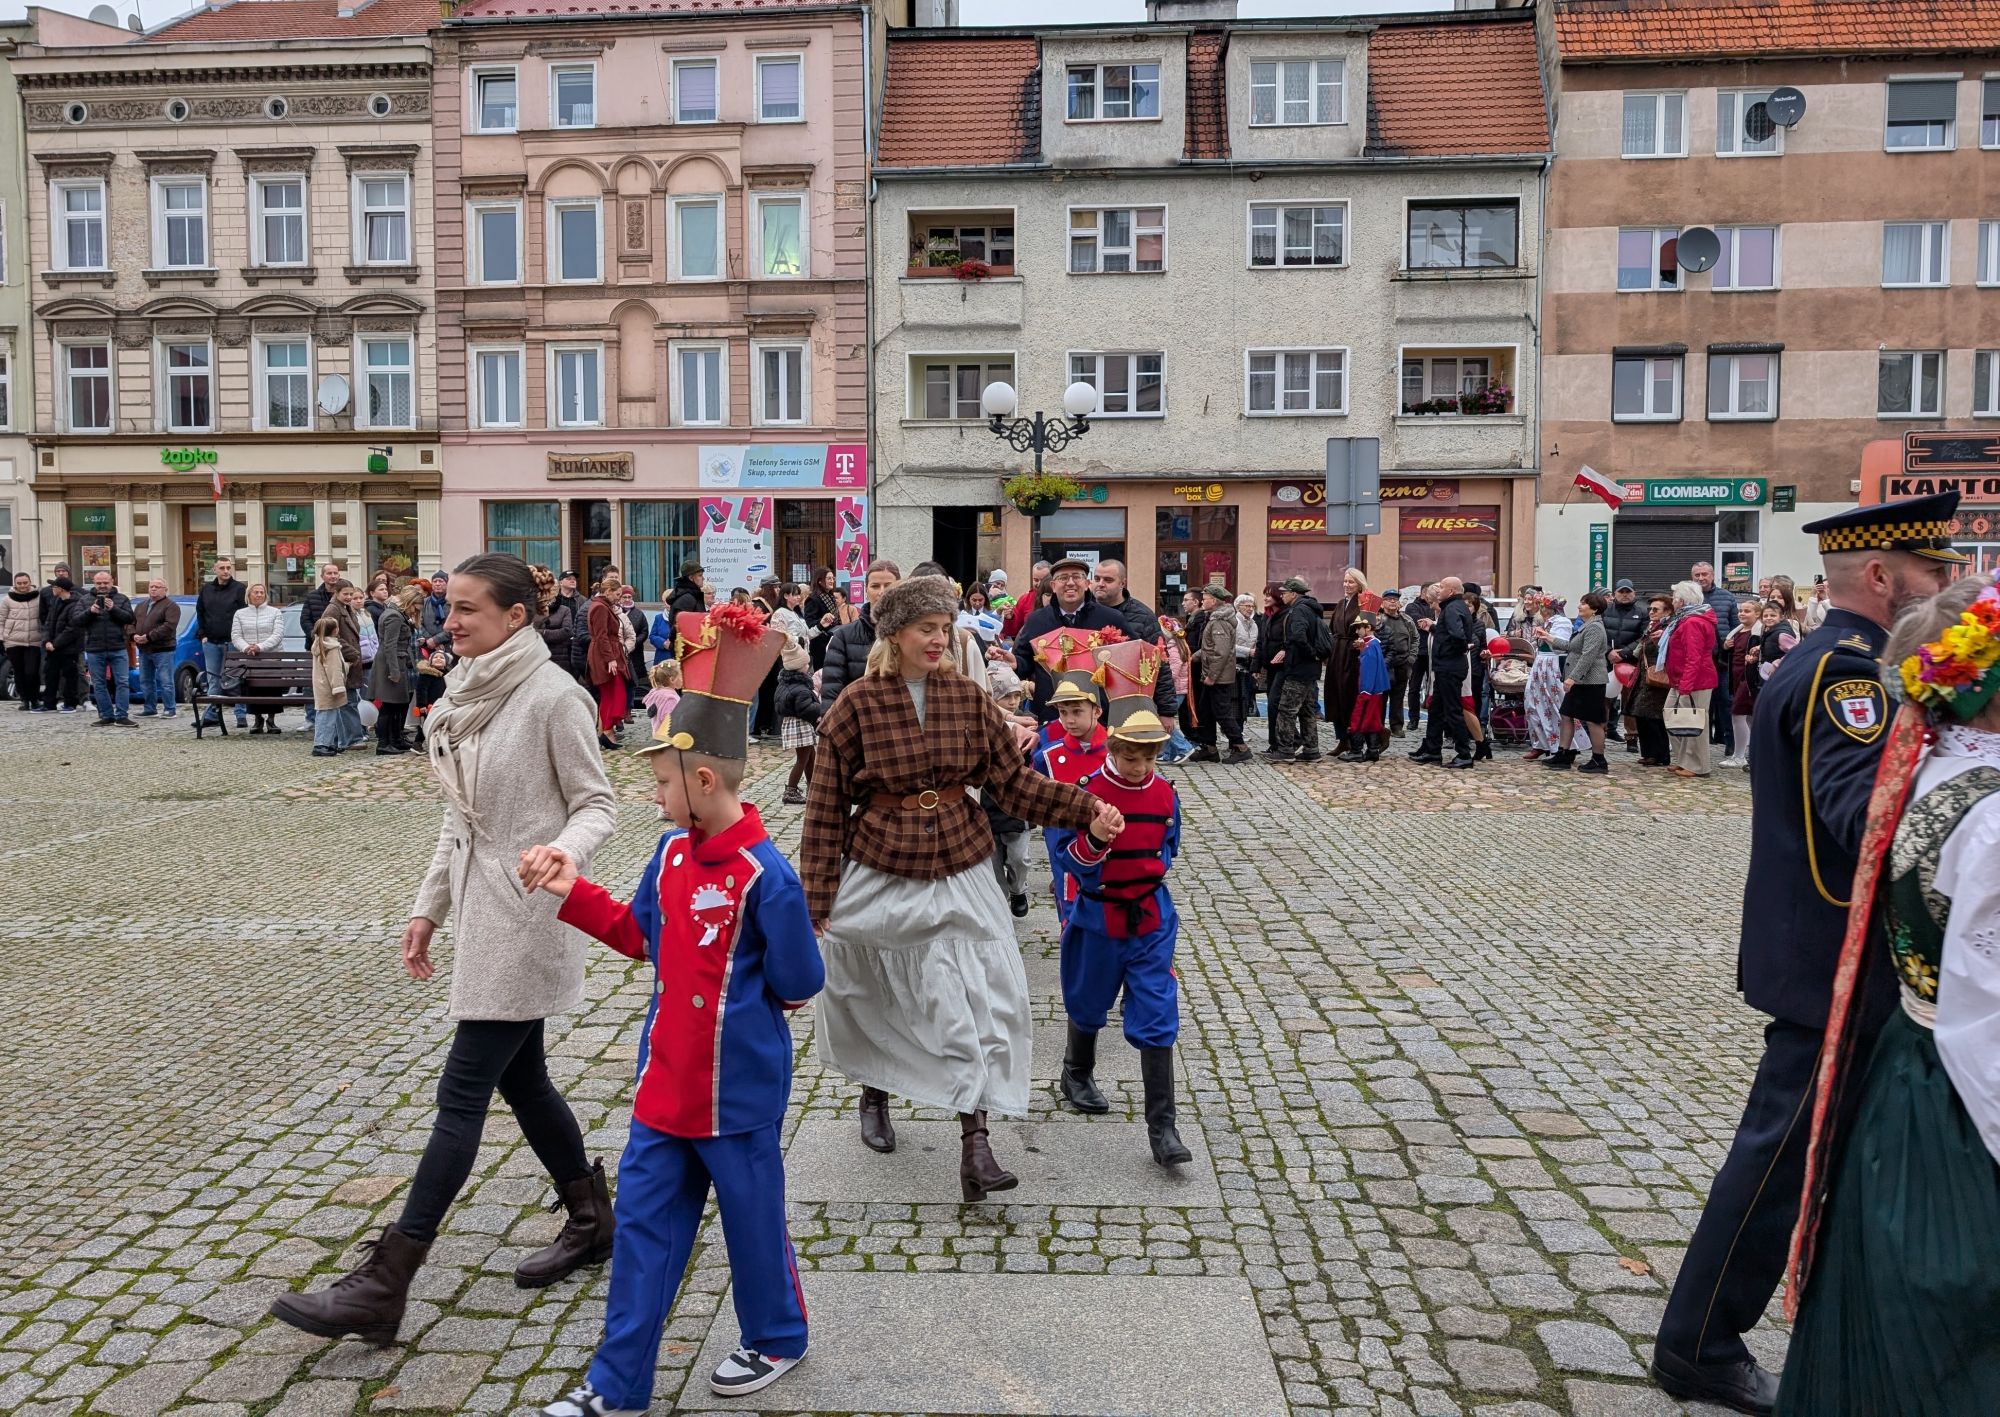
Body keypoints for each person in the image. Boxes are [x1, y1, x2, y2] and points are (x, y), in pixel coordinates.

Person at [1651, 493, 1963, 1414]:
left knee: (1804, 1156)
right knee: (1779, 1160)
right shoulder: (1846, 676)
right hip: (1836, 958)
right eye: (1933, 570)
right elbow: (1862, 815)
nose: (1945, 585)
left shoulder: (1839, 662)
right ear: (1882, 574)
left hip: (1827, 953)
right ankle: (1698, 1343)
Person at [268, 553, 619, 1346]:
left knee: (461, 1093)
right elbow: (460, 818)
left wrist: (561, 851)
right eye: (448, 606)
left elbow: (598, 803)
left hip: (527, 913)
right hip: (479, 908)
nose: (448, 621)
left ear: (515, 617)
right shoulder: (466, 691)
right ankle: (592, 1216)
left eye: (465, 609)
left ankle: (385, 1281)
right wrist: (428, 907)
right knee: (523, 1079)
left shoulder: (553, 696)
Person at [529, 605, 822, 1415]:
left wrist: (737, 1019)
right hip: (664, 1087)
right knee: (644, 1234)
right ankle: (618, 1385)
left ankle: (777, 1334)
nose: (654, 798)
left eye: (662, 783)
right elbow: (638, 936)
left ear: (703, 781)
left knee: (752, 1224)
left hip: (738, 1093)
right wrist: (573, 890)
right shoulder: (666, 856)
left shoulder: (768, 876)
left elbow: (800, 981)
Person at [799, 575, 1114, 1196]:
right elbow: (825, 808)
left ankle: (976, 1143)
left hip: (962, 860)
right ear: (895, 634)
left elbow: (1014, 785)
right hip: (882, 861)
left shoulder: (968, 697)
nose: (940, 639)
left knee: (979, 994)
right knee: (873, 985)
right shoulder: (855, 705)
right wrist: (816, 898)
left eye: (945, 628)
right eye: (927, 629)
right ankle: (875, 1090)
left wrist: (1085, 808)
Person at [1775, 572, 2000, 1417]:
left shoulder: (1928, 770)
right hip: (1963, 1090)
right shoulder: (1990, 812)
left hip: (1912, 1067)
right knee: (1949, 1328)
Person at [1054, 636, 1190, 1168]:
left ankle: (1163, 1129)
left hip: (1151, 917)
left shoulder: (1166, 792)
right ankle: (1076, 1071)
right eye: (1130, 755)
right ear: (1112, 748)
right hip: (1098, 915)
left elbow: (1169, 846)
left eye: (1149, 755)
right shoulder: (1087, 791)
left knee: (1157, 1010)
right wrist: (1095, 841)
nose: (1139, 765)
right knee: (1088, 1000)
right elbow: (1068, 859)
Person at [1029, 626, 1113, 926]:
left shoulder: (1117, 753)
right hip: (1065, 851)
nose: (1069, 720)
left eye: (1077, 712)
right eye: (1063, 713)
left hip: (1111, 853)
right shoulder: (1048, 757)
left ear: (1097, 711)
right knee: (1072, 918)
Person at [1089, 560, 1184, 759]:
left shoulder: (1143, 616)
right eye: (1096, 578)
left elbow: (1160, 664)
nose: (1100, 584)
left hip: (1129, 705)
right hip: (1090, 703)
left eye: (1108, 580)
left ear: (1122, 583)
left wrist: (1166, 711)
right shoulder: (1084, 611)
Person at [983, 666, 1037, 920]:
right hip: (988, 802)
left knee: (1019, 858)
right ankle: (999, 904)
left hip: (1017, 803)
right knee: (993, 861)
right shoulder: (983, 726)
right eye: (1006, 697)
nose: (1013, 702)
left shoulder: (1029, 723)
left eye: (1017, 695)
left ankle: (1018, 889)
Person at [1411, 577, 1476, 769]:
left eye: (1442, 587)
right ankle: (1433, 750)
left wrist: (1450, 651)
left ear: (1452, 591)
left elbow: (1458, 636)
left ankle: (1464, 754)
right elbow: (1448, 631)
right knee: (1436, 710)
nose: (1438, 590)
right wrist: (1432, 627)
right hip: (1446, 666)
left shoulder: (1453, 608)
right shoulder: (1454, 607)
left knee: (1452, 711)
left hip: (1450, 666)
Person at [1545, 590, 1611, 774]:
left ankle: (1599, 759)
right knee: (1567, 715)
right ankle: (1563, 754)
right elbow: (1571, 647)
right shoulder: (1585, 626)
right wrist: (1549, 638)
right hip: (1580, 682)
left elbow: (1588, 656)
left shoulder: (1595, 628)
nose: (1579, 606)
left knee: (1593, 720)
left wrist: (1572, 677)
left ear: (1595, 609)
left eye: (1584, 603)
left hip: (1590, 682)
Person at [819, 559, 899, 711]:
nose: (882, 592)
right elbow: (832, 695)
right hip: (858, 719)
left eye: (888, 586)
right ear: (866, 590)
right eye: (875, 586)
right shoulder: (843, 637)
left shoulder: (909, 634)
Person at [1661, 581, 1721, 779]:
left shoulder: (1692, 622)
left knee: (1695, 721)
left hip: (1695, 680)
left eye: (1674, 597)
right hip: (1682, 679)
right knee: (1674, 716)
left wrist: (1686, 684)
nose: (1672, 601)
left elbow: (1693, 657)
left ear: (1682, 600)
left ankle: (1699, 765)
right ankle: (1683, 759)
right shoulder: (1685, 619)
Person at [1264, 576, 1326, 761]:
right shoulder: (1310, 608)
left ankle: (1285, 750)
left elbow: (1298, 636)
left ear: (1294, 594)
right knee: (1307, 711)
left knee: (1286, 710)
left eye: (1285, 593)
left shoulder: (1298, 610)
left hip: (1298, 667)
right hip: (1309, 668)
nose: (1282, 595)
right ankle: (1311, 750)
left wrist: (1310, 653)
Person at [1191, 585, 1248, 763]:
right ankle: (1209, 747)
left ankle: (1240, 747)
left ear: (1214, 600)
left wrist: (1212, 676)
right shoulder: (1214, 618)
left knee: (1222, 712)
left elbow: (1221, 652)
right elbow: (1209, 648)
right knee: (1205, 711)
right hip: (1213, 675)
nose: (1202, 601)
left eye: (1205, 598)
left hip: (1219, 678)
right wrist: (1192, 657)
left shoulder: (1219, 622)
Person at [309, 583, 364, 757]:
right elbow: (326, 634)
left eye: (351, 594)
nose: (349, 597)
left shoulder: (346, 608)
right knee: (337, 707)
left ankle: (339, 740)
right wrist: (351, 653)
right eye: (345, 594)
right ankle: (335, 741)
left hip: (345, 663)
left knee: (342, 705)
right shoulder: (333, 610)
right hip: (337, 670)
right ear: (336, 593)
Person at [370, 583, 423, 755]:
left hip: (399, 661)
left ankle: (395, 739)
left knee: (398, 705)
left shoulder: (397, 614)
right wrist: (394, 671)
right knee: (389, 705)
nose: (415, 612)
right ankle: (384, 743)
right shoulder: (394, 616)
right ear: (409, 602)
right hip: (391, 663)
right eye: (415, 607)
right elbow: (390, 645)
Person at [80, 571, 136, 728]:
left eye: (105, 583)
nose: (102, 586)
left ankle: (122, 716)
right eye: (99, 583)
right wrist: (90, 612)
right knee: (99, 684)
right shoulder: (85, 600)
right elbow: (76, 620)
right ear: (94, 583)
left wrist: (113, 609)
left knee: (123, 682)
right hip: (94, 647)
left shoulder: (121, 599)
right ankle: (106, 715)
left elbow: (130, 618)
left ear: (112, 582)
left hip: (118, 646)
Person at [1321, 567, 1368, 756]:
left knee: (1350, 697)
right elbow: (1333, 629)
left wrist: (1362, 642)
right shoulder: (1341, 604)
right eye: (1345, 581)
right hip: (1337, 654)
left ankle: (1357, 740)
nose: (1347, 585)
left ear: (1359, 584)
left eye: (1351, 582)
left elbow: (1370, 630)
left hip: (1353, 656)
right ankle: (1342, 739)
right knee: (1335, 696)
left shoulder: (1364, 603)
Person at [231, 582, 286, 734]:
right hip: (250, 658)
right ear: (249, 595)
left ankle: (271, 720)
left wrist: (260, 647)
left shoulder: (275, 612)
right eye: (256, 592)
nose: (259, 595)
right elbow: (236, 635)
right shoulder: (240, 614)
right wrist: (246, 647)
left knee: (272, 689)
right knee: (254, 689)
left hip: (271, 657)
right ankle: (257, 719)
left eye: (262, 592)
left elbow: (278, 634)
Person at [775, 631, 821, 806]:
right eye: (806, 664)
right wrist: (820, 709)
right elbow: (805, 709)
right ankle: (791, 790)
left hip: (796, 724)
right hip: (799, 724)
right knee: (803, 759)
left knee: (811, 757)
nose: (808, 666)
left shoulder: (786, 684)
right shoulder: (800, 688)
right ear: (798, 666)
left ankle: (813, 787)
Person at [1337, 617, 1389, 764]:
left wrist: (1365, 690)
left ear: (1368, 628)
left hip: (1369, 691)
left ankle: (1356, 751)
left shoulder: (1370, 646)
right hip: (1376, 691)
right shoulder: (1373, 644)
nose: (1356, 631)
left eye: (1359, 628)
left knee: (1358, 719)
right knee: (1372, 720)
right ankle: (1372, 750)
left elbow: (1369, 670)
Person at [1602, 578, 1647, 748]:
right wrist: (1608, 651)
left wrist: (1624, 653)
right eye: (1621, 591)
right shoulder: (1604, 611)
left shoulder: (1643, 612)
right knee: (1604, 700)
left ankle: (1632, 738)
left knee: (1630, 701)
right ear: (1615, 594)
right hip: (1607, 662)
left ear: (1634, 593)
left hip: (1631, 662)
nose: (1625, 595)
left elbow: (1644, 637)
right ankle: (1600, 735)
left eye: (1628, 592)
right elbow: (1599, 634)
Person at [586, 573, 628, 751]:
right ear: (608, 591)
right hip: (604, 656)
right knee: (613, 693)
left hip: (607, 653)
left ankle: (605, 732)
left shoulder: (602, 606)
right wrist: (610, 659)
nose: (619, 598)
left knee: (611, 694)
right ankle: (607, 731)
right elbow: (601, 635)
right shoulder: (600, 608)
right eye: (617, 594)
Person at [1719, 598, 1762, 770]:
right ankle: (1754, 753)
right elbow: (1730, 653)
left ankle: (1739, 756)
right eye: (1741, 611)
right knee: (1749, 716)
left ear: (1757, 614)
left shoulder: (1758, 632)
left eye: (1747, 611)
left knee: (1738, 713)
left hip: (1748, 677)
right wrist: (1725, 646)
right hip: (1735, 675)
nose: (1742, 614)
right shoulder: (1736, 632)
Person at [1630, 595, 1674, 767]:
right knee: (1641, 714)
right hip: (1644, 675)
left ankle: (1659, 754)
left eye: (1656, 609)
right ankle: (1648, 753)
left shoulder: (1668, 627)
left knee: (1653, 717)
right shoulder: (1651, 626)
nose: (1651, 612)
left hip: (1658, 675)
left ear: (1667, 611)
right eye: (1650, 609)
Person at [132, 579, 181, 719]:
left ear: (165, 590)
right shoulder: (141, 605)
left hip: (163, 649)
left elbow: (169, 626)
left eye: (157, 587)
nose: (153, 589)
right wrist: (133, 635)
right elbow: (131, 622)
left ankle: (170, 709)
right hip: (144, 649)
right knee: (145, 681)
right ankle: (149, 708)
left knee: (166, 681)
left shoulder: (171, 606)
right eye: (151, 586)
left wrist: (149, 636)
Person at [1374, 589, 1416, 735]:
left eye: (1395, 599)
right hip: (1384, 664)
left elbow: (1415, 639)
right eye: (1389, 599)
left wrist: (1411, 657)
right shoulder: (1378, 619)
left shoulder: (1407, 620)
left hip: (1402, 663)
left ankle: (1396, 726)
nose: (1392, 601)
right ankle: (1378, 726)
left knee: (1398, 697)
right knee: (1381, 697)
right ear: (1382, 603)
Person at [39, 577, 82, 714]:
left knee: (70, 675)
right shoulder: (56, 602)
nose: (52, 589)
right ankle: (49, 703)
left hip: (69, 648)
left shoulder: (75, 604)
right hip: (52, 647)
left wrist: (56, 643)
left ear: (61, 589)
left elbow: (72, 629)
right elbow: (47, 623)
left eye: (54, 587)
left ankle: (71, 703)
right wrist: (47, 641)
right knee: (50, 674)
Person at [4, 571, 42, 711]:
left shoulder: (38, 597)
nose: (22, 586)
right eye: (19, 583)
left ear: (30, 582)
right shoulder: (7, 599)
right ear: (15, 584)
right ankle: (24, 700)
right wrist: (2, 638)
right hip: (13, 641)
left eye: (25, 583)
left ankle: (35, 699)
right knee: (19, 672)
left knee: (32, 671)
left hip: (34, 640)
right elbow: (1, 619)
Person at [1405, 584, 1438, 731]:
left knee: (1435, 687)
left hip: (1433, 652)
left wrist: (1431, 624)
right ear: (1424, 593)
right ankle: (1413, 718)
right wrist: (1431, 624)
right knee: (1414, 687)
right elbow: (1419, 622)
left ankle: (1434, 719)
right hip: (1418, 652)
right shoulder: (1412, 607)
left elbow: (1433, 624)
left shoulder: (1437, 606)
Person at [801, 566, 845, 671]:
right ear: (820, 581)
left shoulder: (831, 596)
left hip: (834, 640)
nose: (832, 581)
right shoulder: (813, 599)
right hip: (820, 644)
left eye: (833, 578)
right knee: (821, 674)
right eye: (829, 578)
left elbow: (837, 618)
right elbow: (809, 622)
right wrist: (823, 621)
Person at [1231, 592, 1264, 726]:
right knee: (1235, 697)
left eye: (1252, 606)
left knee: (1246, 696)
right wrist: (1248, 651)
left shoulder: (1254, 624)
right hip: (1235, 663)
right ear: (1238, 606)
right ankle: (1234, 726)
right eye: (1247, 606)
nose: (1250, 609)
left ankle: (1241, 724)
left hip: (1248, 664)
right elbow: (1229, 645)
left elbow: (1256, 642)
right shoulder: (1234, 622)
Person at [1000, 560, 1052, 642]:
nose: (1038, 584)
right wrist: (1009, 618)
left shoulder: (1059, 597)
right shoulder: (1024, 599)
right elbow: (1013, 632)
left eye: (1042, 580)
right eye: (1036, 580)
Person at [643, 659, 681, 732]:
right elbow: (671, 723)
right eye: (681, 675)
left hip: (657, 733)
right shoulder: (670, 699)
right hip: (669, 737)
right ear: (672, 679)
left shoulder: (656, 693)